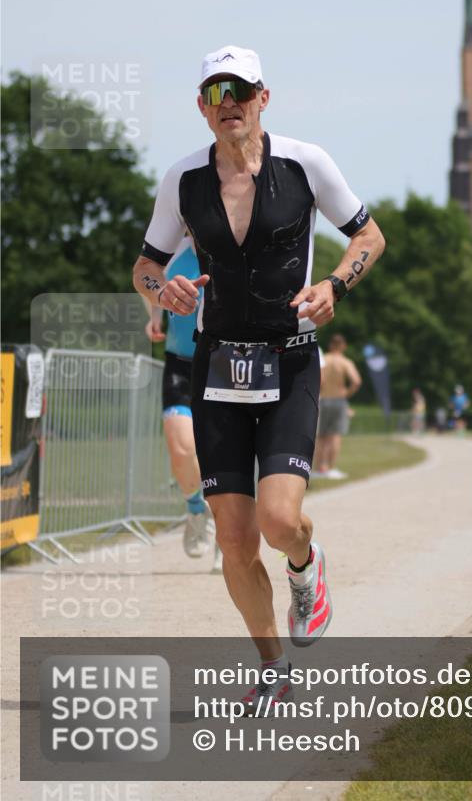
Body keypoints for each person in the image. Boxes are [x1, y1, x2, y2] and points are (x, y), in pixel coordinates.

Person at [132, 45, 385, 714]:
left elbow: (369, 239)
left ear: (263, 97)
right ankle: (273, 667)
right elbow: (145, 267)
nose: (229, 105)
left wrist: (335, 283)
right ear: (202, 106)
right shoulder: (183, 179)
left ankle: (307, 566)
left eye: (240, 91)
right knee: (235, 539)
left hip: (291, 359)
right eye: (216, 93)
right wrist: (166, 290)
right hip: (217, 367)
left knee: (278, 522)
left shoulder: (306, 163)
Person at [143, 236, 218, 562]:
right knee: (182, 449)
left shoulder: (234, 242)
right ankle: (196, 510)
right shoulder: (171, 249)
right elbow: (148, 278)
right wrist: (155, 318)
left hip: (224, 365)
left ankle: (230, 539)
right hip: (180, 364)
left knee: (226, 458)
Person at [313, 334, 361, 479]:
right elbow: (356, 381)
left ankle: (318, 468)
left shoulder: (324, 359)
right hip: (338, 400)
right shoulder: (345, 362)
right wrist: (346, 393)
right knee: (334, 436)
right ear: (343, 346)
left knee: (321, 436)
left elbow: (317, 379)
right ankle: (330, 468)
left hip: (322, 399)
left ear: (330, 345)